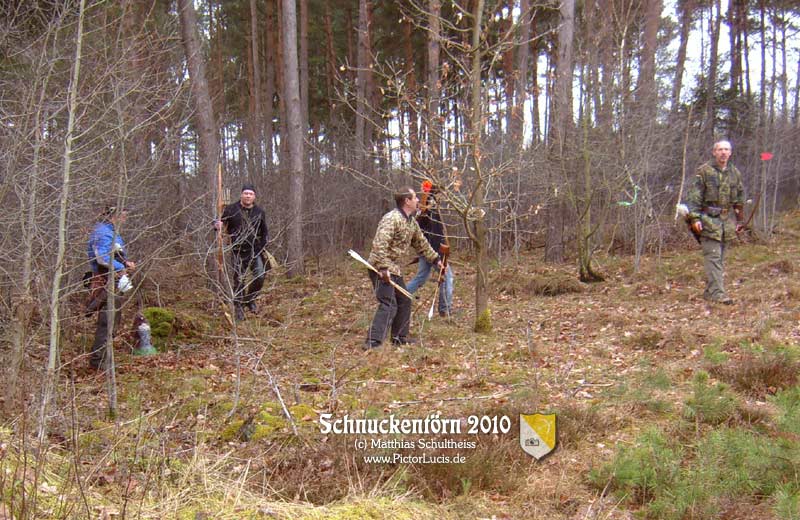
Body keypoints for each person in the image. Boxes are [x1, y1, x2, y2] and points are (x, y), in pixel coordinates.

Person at [365, 187, 442, 349]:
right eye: (414, 198)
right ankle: (373, 342)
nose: (417, 200)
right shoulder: (391, 219)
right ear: (407, 201)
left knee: (404, 299)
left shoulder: (411, 222)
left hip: (394, 269)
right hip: (380, 268)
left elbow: (421, 243)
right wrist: (383, 268)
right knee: (389, 303)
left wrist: (436, 260)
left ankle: (399, 337)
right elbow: (380, 244)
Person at [685, 140, 745, 305]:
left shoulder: (734, 173)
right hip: (708, 221)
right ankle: (718, 294)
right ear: (714, 152)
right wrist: (695, 219)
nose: (723, 153)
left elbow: (739, 198)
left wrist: (740, 220)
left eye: (726, 149)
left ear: (730, 152)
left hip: (726, 224)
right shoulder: (704, 172)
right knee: (713, 257)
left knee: (719, 259)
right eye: (720, 149)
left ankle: (710, 292)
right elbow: (694, 198)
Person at [86, 206, 136, 369]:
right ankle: (98, 360)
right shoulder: (103, 232)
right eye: (122, 215)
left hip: (113, 280)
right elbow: (101, 258)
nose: (125, 219)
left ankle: (104, 357)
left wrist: (125, 263)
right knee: (107, 321)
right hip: (105, 280)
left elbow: (115, 253)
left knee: (114, 320)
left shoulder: (111, 231)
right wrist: (119, 267)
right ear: (113, 215)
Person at [215, 183, 269, 321]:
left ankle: (249, 300)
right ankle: (238, 306)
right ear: (241, 195)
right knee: (239, 279)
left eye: (250, 194)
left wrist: (261, 248)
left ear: (254, 196)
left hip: (254, 250)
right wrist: (218, 225)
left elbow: (264, 232)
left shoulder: (259, 212)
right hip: (237, 250)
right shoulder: (231, 209)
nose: (248, 196)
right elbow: (221, 224)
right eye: (246, 193)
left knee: (260, 276)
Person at [406, 183, 454, 317]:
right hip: (433, 251)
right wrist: (438, 256)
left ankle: (401, 294)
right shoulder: (429, 212)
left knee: (421, 277)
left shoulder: (427, 210)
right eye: (440, 194)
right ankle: (445, 309)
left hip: (428, 251)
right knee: (447, 277)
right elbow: (433, 235)